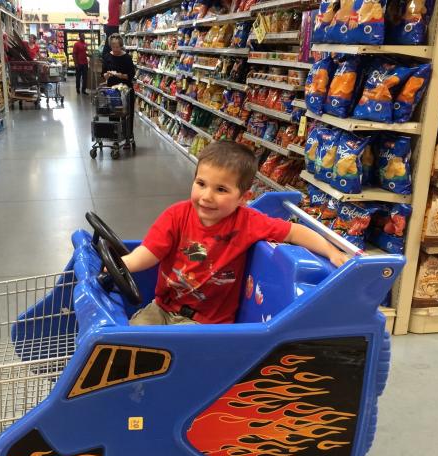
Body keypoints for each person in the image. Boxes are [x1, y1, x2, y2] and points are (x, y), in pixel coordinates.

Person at [121, 141, 350, 326]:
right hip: (162, 307)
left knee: (167, 349)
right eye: (201, 184)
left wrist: (332, 252)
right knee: (130, 336)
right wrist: (123, 264)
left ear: (243, 198)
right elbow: (149, 251)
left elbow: (293, 232)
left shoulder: (248, 222)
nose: (207, 196)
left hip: (206, 323)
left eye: (221, 189)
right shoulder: (176, 215)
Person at [102, 33, 135, 145]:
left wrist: (121, 75)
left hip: (125, 91)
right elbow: (103, 73)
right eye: (113, 46)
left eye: (117, 47)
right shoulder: (107, 57)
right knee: (113, 114)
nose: (115, 49)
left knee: (127, 115)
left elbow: (131, 75)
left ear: (121, 45)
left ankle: (127, 137)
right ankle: (115, 138)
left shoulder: (127, 58)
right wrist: (106, 75)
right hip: (112, 91)